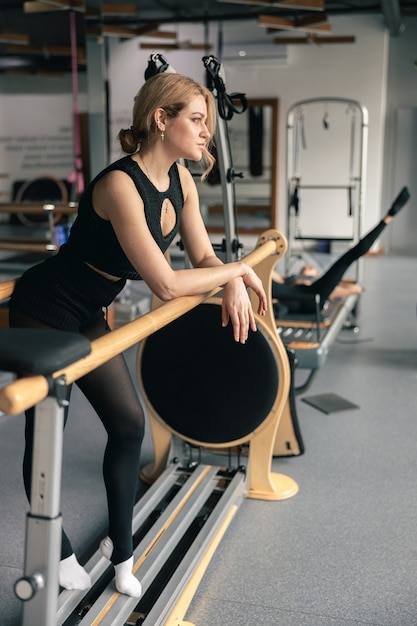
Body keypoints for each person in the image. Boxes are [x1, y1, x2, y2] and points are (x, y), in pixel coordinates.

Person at [8, 72, 267, 598]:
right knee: (45, 436)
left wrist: (233, 275)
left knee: (128, 426)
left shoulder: (182, 181)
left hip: (90, 312)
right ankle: (55, 551)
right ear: (160, 119)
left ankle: (119, 552)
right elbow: (169, 284)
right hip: (44, 308)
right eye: (196, 120)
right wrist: (237, 273)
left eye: (207, 125)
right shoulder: (120, 185)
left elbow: (203, 259)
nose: (204, 135)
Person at [271, 186, 410, 316]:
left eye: (310, 268)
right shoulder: (289, 280)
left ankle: (388, 218)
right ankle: (388, 218)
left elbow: (347, 290)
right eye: (308, 268)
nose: (308, 267)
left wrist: (351, 289)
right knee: (265, 283)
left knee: (349, 256)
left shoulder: (312, 283)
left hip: (308, 298)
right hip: (299, 297)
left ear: (316, 275)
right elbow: (269, 273)